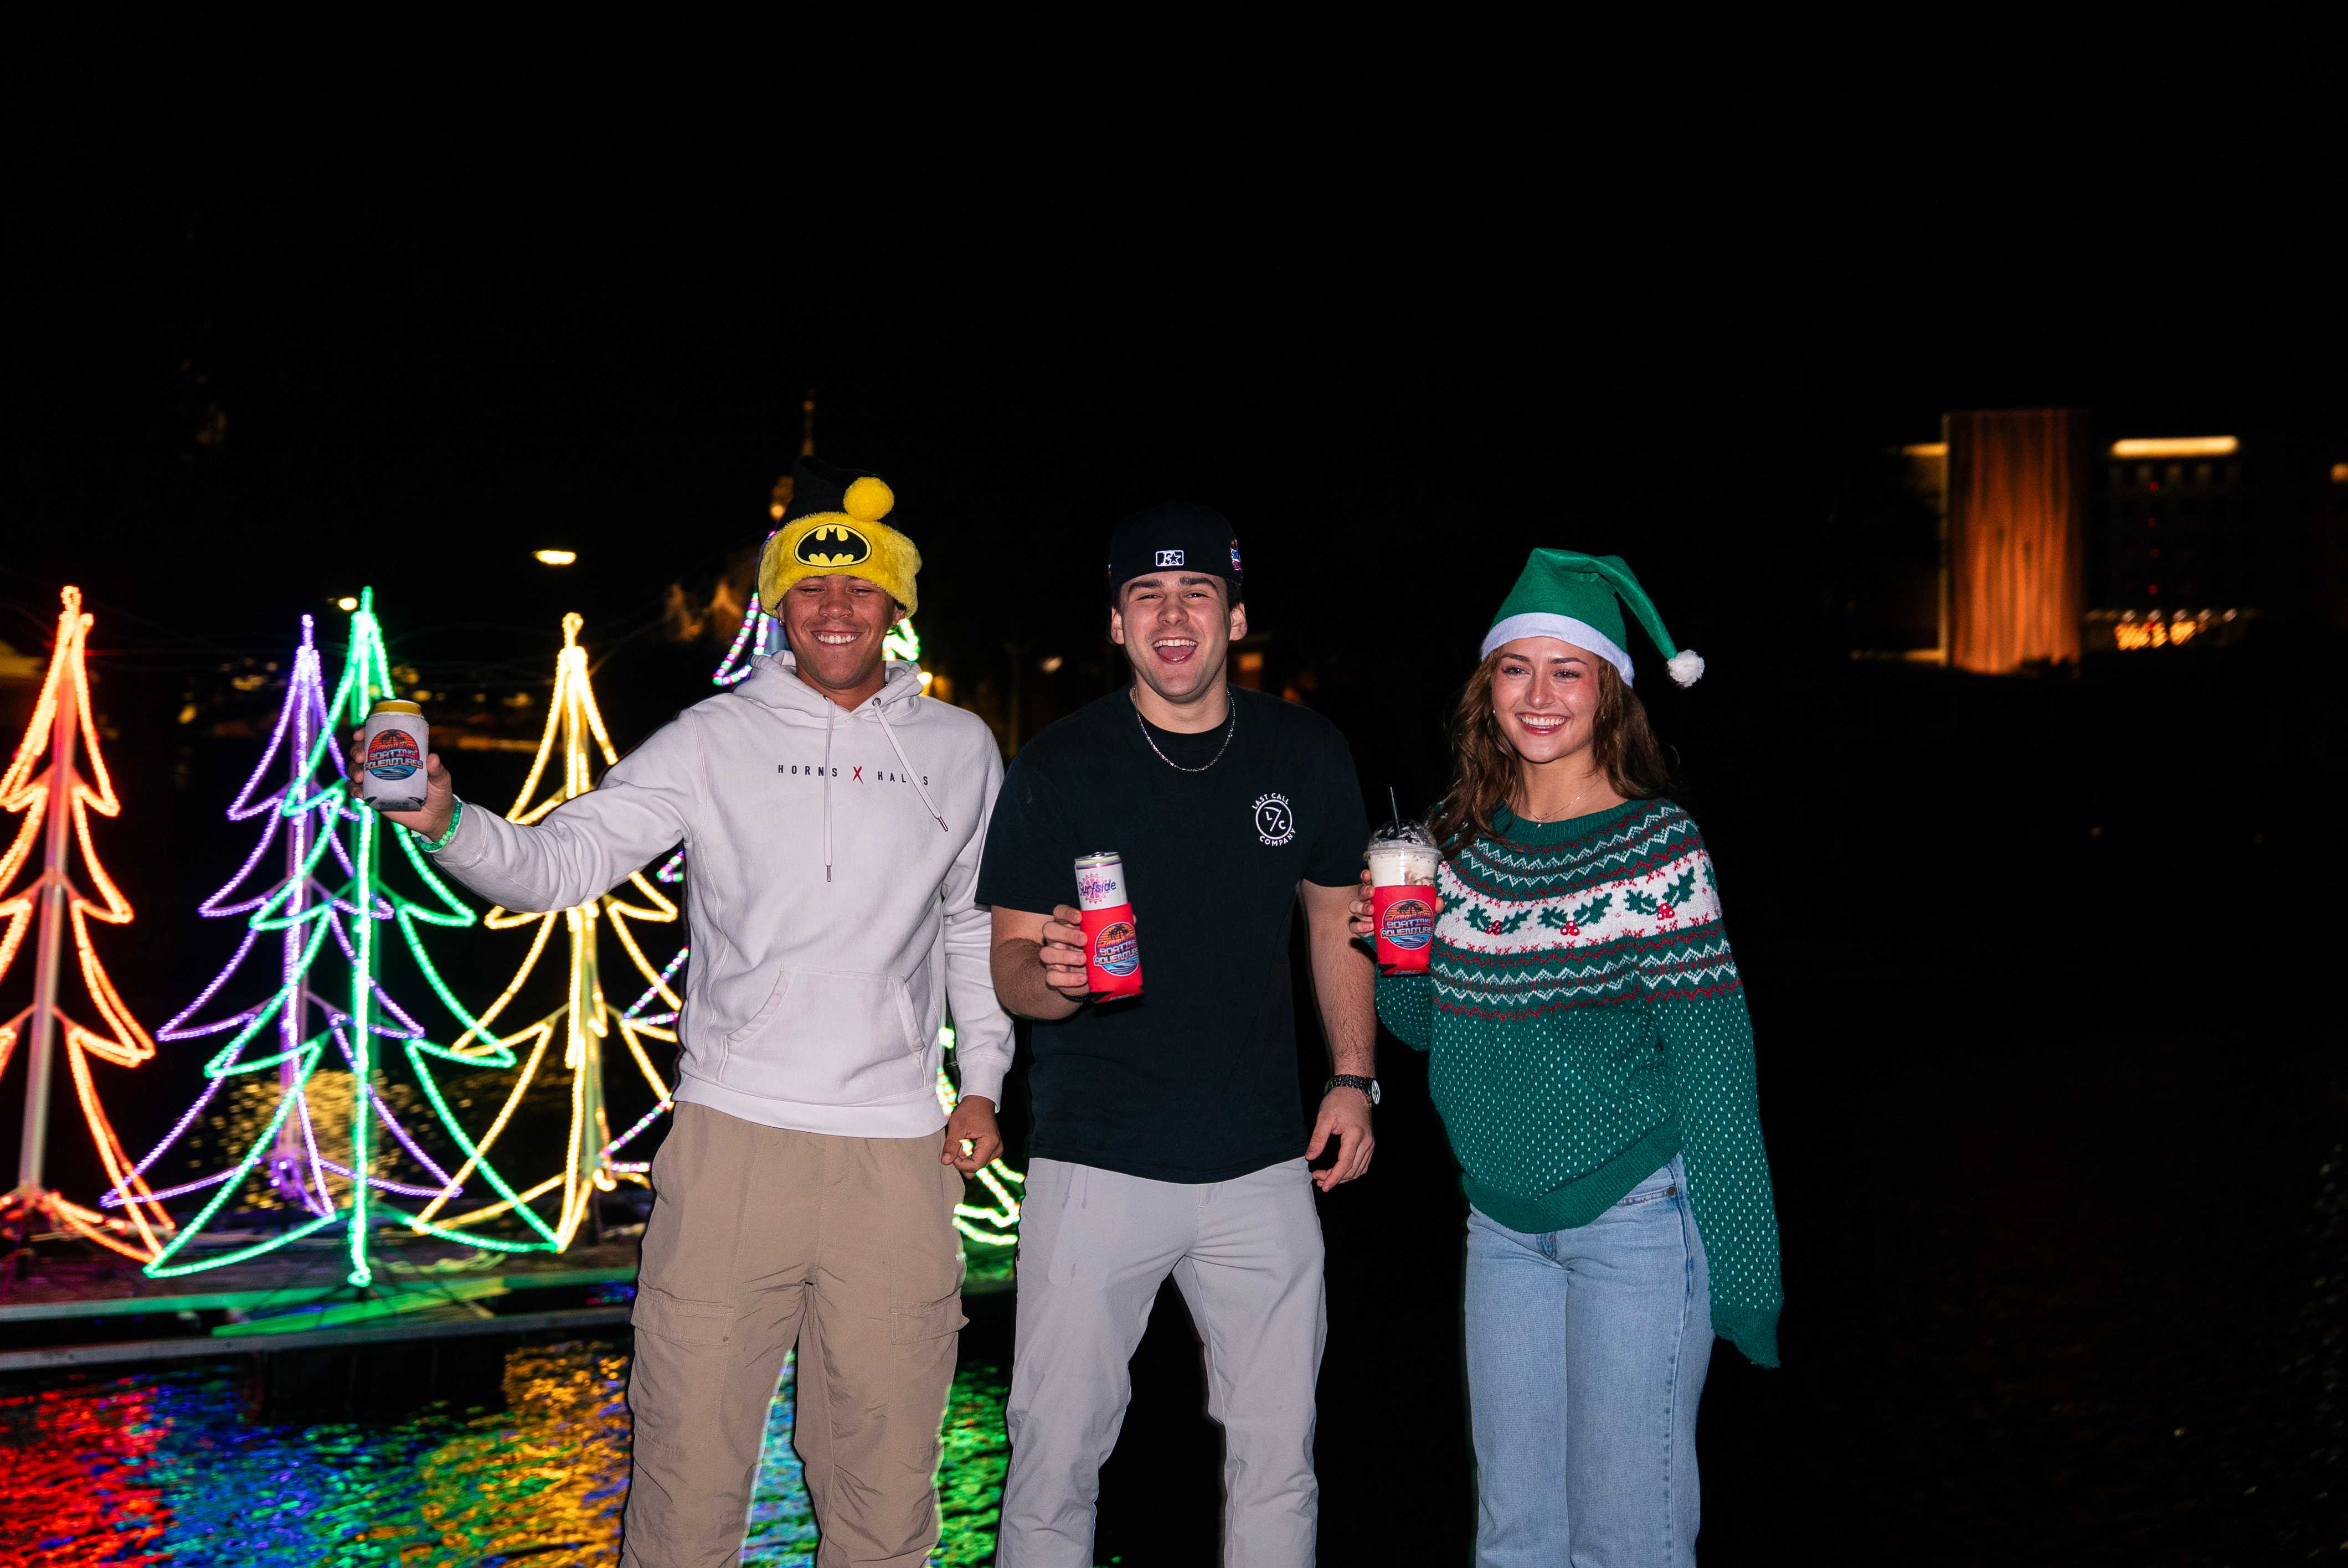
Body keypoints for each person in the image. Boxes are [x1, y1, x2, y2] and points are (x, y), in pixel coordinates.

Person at [364, 461, 1011, 1568]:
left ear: (896, 605)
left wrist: (984, 1086)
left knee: (886, 1484)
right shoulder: (712, 738)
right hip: (729, 1147)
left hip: (895, 1156)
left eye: (861, 590)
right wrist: (441, 818)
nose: (837, 608)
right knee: (684, 1475)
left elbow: (969, 926)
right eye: (809, 589)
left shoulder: (959, 750)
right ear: (777, 605)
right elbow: (561, 861)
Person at [1357, 549, 1782, 1568]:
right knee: (1514, 1540)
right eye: (1516, 669)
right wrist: (1396, 951)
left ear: (1611, 691)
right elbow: (1426, 1033)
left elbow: (1719, 1078)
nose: (1538, 696)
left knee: (1626, 1543)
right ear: (1486, 686)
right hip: (1498, 1231)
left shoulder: (1657, 851)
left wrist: (1747, 1273)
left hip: (1635, 1227)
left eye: (1568, 671)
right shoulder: (1457, 845)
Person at [977, 502, 1376, 1568]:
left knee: (1280, 1459)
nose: (1172, 615)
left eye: (1196, 592)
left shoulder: (1305, 748)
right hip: (1096, 1163)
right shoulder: (1057, 766)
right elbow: (1011, 963)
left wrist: (1353, 1078)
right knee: (1055, 1458)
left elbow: (1340, 915)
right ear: (1116, 624)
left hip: (1263, 1165)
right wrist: (1056, 977)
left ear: (1234, 615)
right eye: (1146, 595)